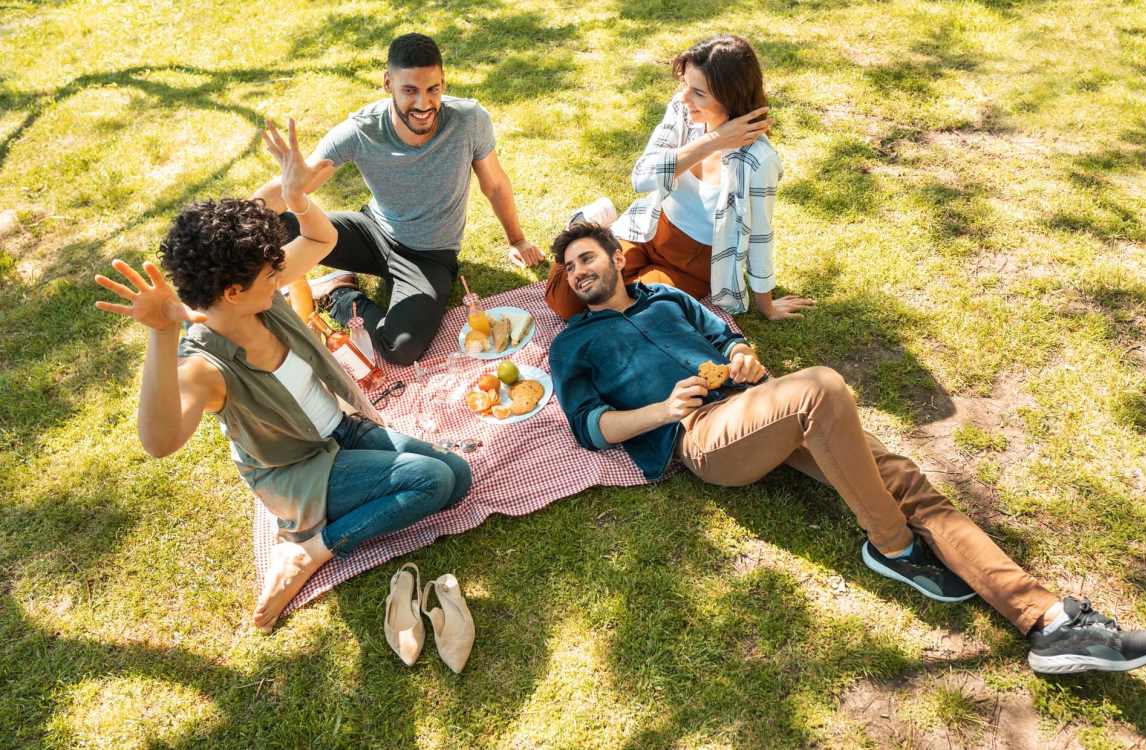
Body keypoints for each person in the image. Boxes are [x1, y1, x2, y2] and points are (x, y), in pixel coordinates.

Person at [547, 222, 1146, 674]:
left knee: (906, 479)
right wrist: (663, 410)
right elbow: (590, 428)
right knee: (819, 386)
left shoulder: (667, 296)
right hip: (703, 438)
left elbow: (729, 337)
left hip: (761, 406)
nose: (579, 273)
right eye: (570, 270)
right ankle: (893, 547)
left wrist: (740, 356)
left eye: (586, 258)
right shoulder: (573, 345)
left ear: (614, 257)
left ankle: (1048, 621)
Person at [95, 119, 471, 631]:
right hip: (298, 469)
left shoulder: (258, 297)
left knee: (458, 479)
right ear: (231, 291)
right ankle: (310, 547)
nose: (282, 278)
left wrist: (295, 197)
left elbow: (321, 235)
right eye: (271, 274)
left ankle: (323, 524)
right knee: (429, 480)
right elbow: (159, 442)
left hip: (342, 429)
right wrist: (161, 333)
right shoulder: (205, 365)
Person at [253, 33, 544, 365]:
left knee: (400, 348)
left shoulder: (469, 121)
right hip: (372, 232)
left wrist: (517, 239)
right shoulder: (361, 130)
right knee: (269, 224)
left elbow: (494, 185)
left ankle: (340, 294)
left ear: (443, 81)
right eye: (410, 90)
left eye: (433, 89)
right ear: (388, 83)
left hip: (429, 257)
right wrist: (230, 225)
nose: (423, 104)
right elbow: (297, 184)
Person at [545, 35, 811, 321]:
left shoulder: (759, 160)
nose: (684, 98)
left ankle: (595, 234)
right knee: (565, 300)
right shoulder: (684, 110)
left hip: (692, 263)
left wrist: (766, 305)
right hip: (649, 226)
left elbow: (759, 237)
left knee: (624, 311)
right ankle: (585, 225)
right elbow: (642, 176)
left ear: (729, 96)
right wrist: (714, 140)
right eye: (685, 84)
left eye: (698, 92)